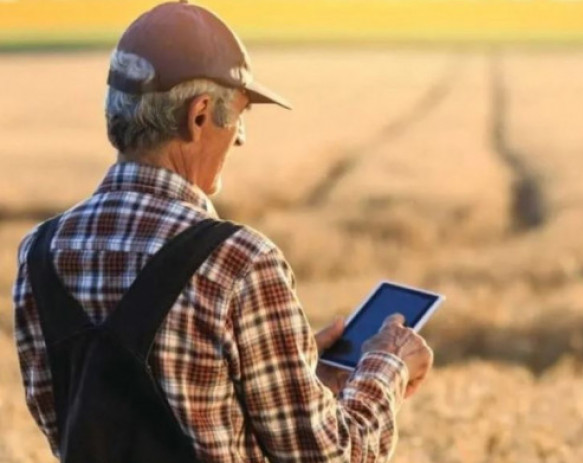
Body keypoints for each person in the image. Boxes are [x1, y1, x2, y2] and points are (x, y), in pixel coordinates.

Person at [12, 2, 433, 462]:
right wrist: (387, 364)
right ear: (198, 116)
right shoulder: (240, 262)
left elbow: (76, 430)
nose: (240, 136)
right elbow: (331, 457)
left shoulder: (39, 253)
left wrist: (293, 370)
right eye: (238, 114)